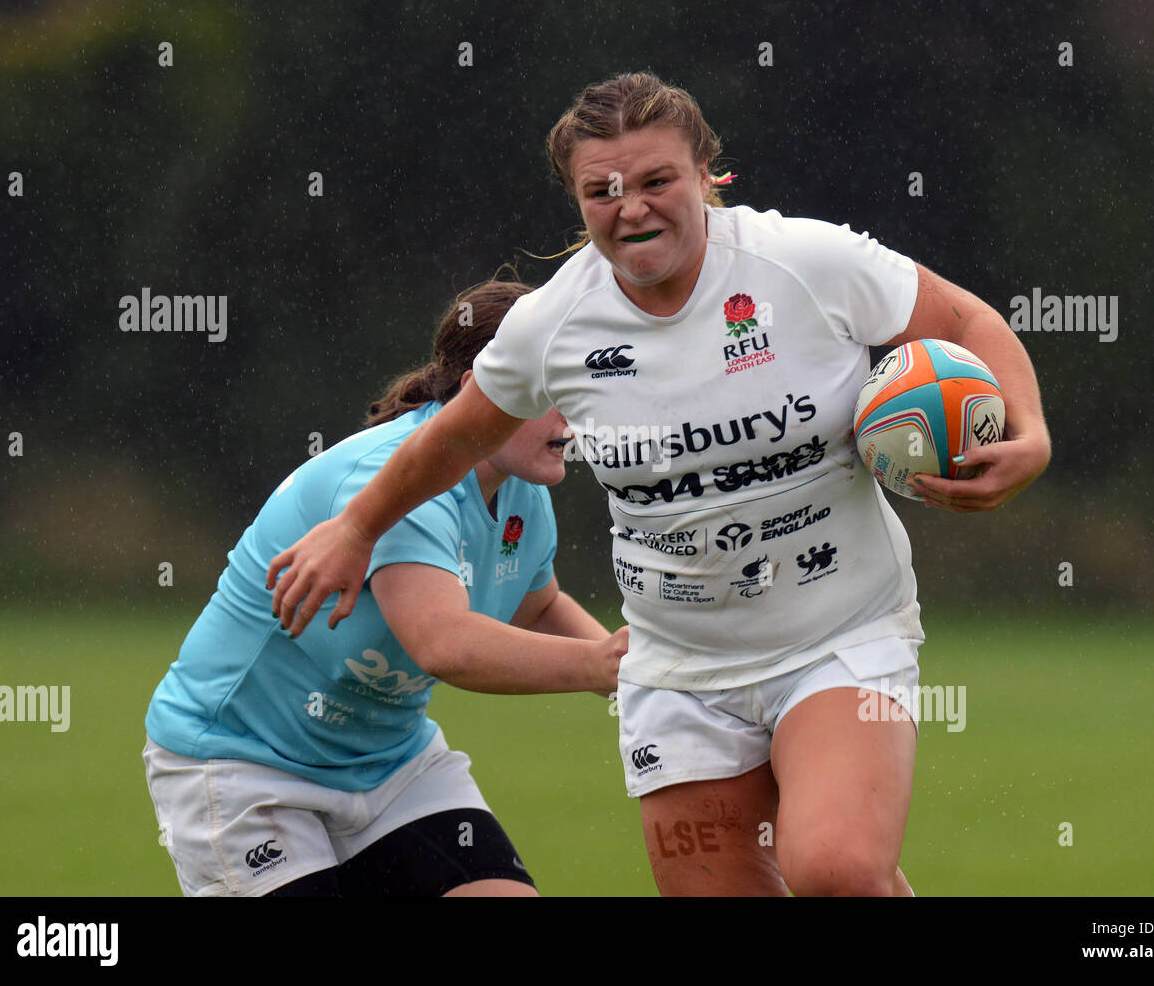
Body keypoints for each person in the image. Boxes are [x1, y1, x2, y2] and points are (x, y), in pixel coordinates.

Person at [266, 73, 1052, 896]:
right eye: (600, 190)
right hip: (678, 670)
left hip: (839, 636)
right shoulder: (553, 325)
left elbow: (968, 322)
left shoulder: (804, 262)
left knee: (838, 870)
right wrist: (356, 529)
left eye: (654, 181)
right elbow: (452, 438)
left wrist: (1027, 435)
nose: (630, 207)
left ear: (706, 174)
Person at [143, 276, 629, 897]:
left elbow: (538, 606)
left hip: (391, 768)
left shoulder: (523, 491)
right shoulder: (401, 479)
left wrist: (640, 677)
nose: (575, 414)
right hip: (242, 762)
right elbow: (443, 644)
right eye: (552, 390)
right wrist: (599, 666)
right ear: (486, 388)